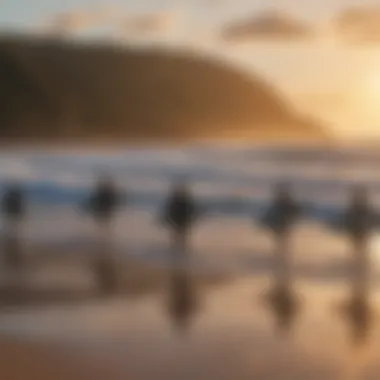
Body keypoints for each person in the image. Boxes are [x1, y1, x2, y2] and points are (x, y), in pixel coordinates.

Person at [160, 182, 199, 252]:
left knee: (179, 233)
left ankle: (179, 247)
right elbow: (191, 210)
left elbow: (190, 210)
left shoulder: (179, 200)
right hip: (180, 219)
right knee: (179, 233)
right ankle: (180, 247)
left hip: (180, 219)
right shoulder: (181, 200)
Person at [1, 182, 26, 270]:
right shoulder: (15, 197)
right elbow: (21, 209)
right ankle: (14, 259)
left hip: (11, 220)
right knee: (14, 241)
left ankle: (12, 259)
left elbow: (6, 209)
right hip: (14, 220)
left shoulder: (9, 197)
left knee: (10, 241)